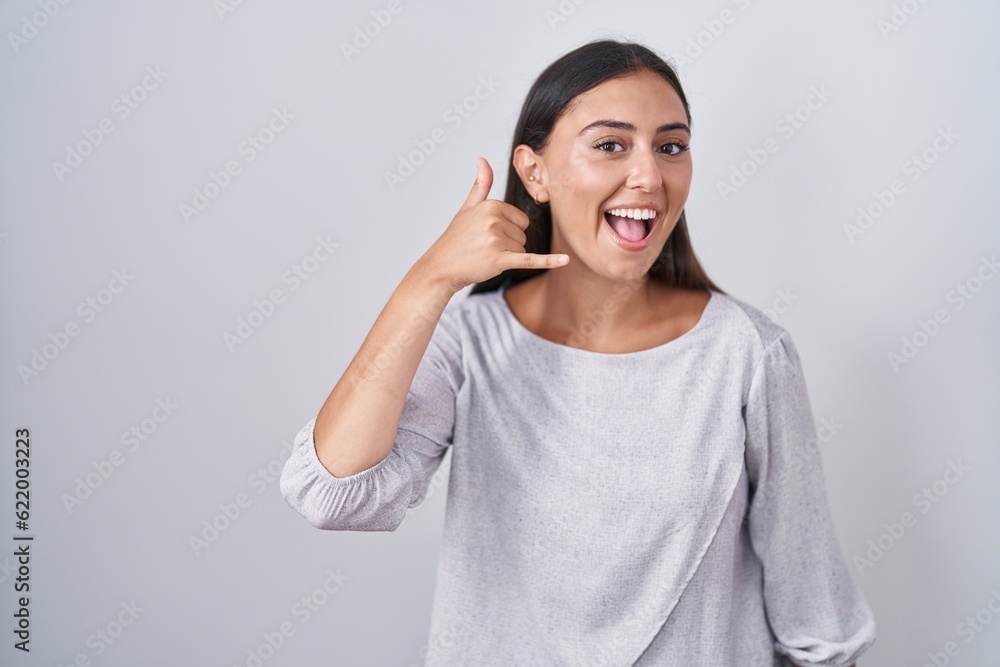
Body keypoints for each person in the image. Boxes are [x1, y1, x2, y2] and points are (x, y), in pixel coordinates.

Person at [279, 39, 876, 666]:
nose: (649, 176)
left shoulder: (747, 353)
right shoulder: (472, 342)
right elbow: (333, 494)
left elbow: (817, 618)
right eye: (611, 144)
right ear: (535, 173)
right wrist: (429, 280)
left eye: (671, 146)